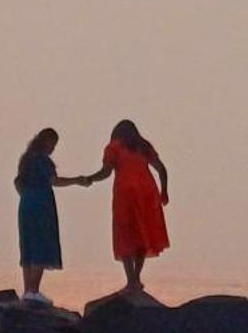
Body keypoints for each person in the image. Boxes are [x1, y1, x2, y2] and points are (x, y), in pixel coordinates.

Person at [83, 120, 171, 293]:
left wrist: (90, 178)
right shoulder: (144, 147)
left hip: (126, 194)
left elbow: (106, 172)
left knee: (125, 235)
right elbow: (161, 169)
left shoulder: (114, 147)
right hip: (147, 193)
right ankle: (136, 279)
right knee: (141, 235)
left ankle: (131, 280)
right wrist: (164, 191)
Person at [14, 128, 96, 305]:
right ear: (47, 141)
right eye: (53, 144)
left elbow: (17, 182)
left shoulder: (26, 159)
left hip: (26, 205)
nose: (53, 148)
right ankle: (34, 290)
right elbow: (54, 181)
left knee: (28, 245)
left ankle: (28, 290)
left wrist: (27, 195)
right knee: (41, 245)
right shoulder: (42, 161)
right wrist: (77, 180)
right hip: (41, 206)